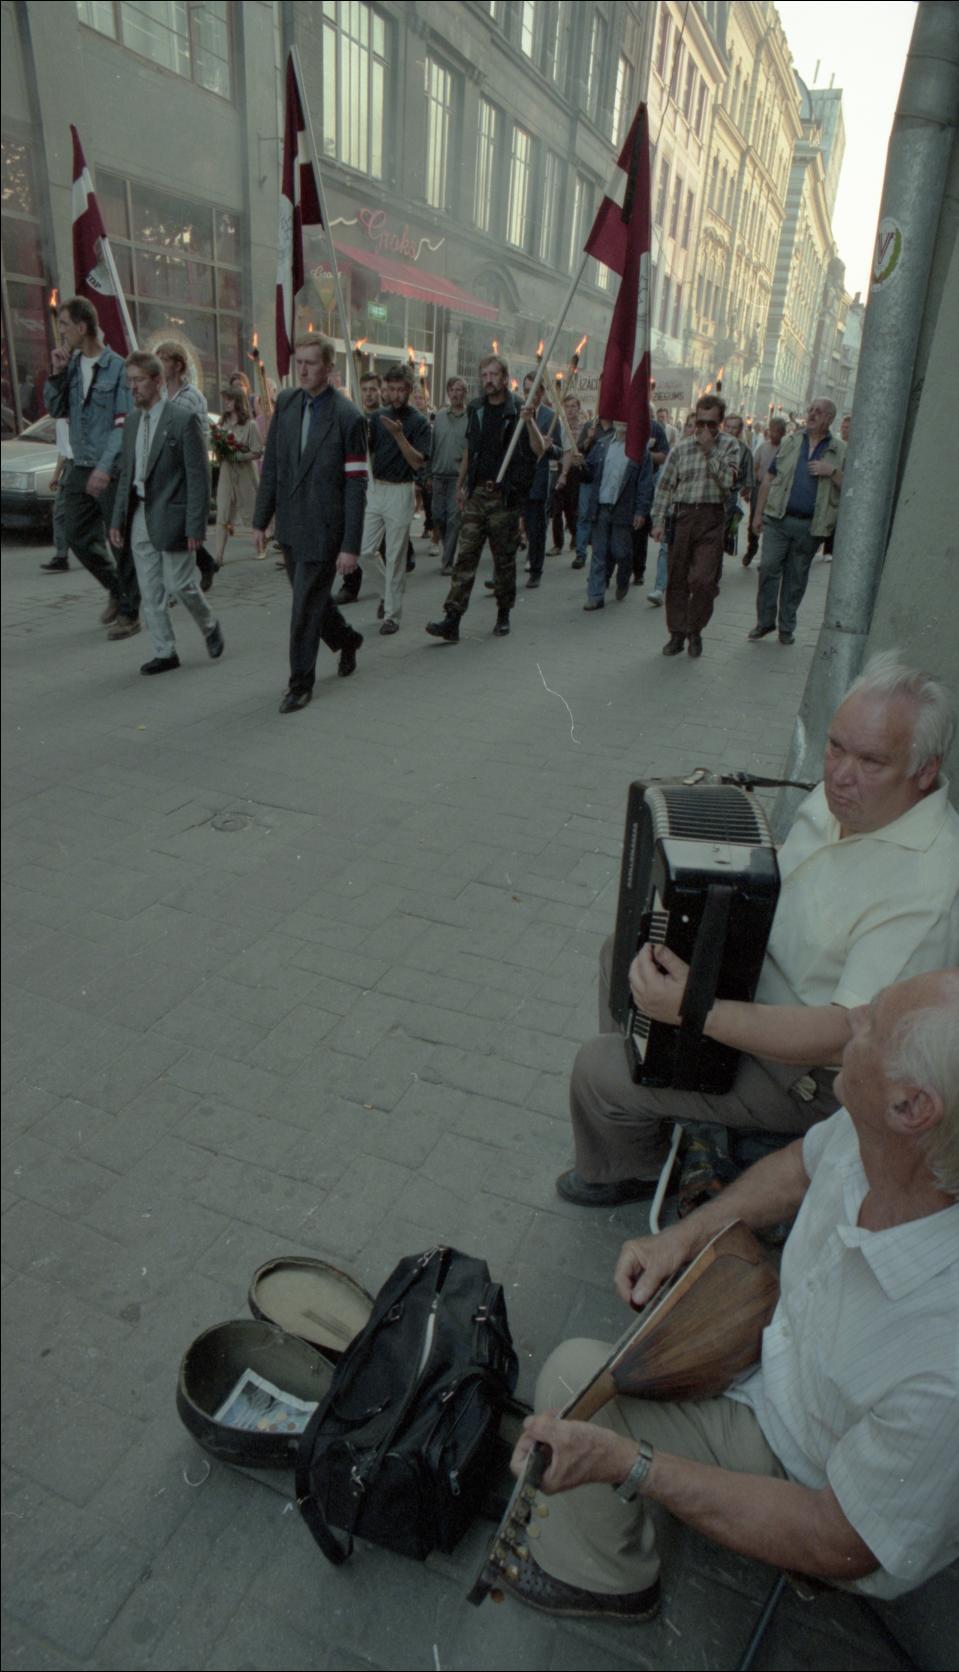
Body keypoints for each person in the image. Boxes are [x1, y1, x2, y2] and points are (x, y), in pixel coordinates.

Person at [500, 967, 959, 1623]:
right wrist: (683, 1238)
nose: (853, 1020)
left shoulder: (943, 1366)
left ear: (911, 1106)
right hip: (777, 1361)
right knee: (604, 1377)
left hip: (806, 1478)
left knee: (571, 1384)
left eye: (873, 1024)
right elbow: (799, 1166)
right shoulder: (890, 1140)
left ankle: (603, 1581)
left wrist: (630, 1465)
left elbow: (838, 1542)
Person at [558, 653, 959, 1206]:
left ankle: (635, 1169)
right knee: (622, 954)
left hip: (808, 1073)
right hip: (755, 987)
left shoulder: (928, 883)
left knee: (597, 1071)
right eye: (835, 746)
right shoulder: (852, 801)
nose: (840, 775)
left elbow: (843, 1032)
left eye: (871, 761)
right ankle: (661, 1090)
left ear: (924, 771)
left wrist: (695, 1011)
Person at [252, 333, 367, 712]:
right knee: (312, 601)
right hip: (290, 527)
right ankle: (347, 639)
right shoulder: (287, 402)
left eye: (311, 363)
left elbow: (356, 487)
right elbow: (273, 466)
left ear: (329, 367)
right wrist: (260, 520)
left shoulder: (348, 417)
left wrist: (350, 546)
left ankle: (300, 684)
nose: (302, 370)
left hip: (324, 530)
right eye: (298, 362)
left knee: (303, 608)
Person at [109, 351, 220, 675]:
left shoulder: (182, 420)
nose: (133, 387)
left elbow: (198, 478)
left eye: (139, 380)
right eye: (130, 381)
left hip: (173, 516)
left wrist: (196, 526)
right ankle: (165, 651)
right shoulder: (132, 422)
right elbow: (126, 474)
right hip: (139, 514)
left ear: (157, 381)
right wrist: (117, 519)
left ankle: (209, 625)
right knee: (150, 589)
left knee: (180, 584)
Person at [425, 353, 548, 643]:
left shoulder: (518, 408)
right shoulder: (476, 408)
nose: (488, 380)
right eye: (484, 375)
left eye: (494, 375)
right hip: (478, 493)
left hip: (504, 497)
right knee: (465, 556)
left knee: (503, 560)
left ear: (505, 378)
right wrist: (461, 484)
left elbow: (539, 449)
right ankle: (452, 619)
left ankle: (503, 613)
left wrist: (529, 422)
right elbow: (470, 448)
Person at [42, 295, 139, 639]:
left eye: (65, 325)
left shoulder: (117, 367)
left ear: (82, 327)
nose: (61, 332)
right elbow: (56, 411)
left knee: (118, 541)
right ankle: (116, 588)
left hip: (109, 468)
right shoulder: (70, 366)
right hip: (79, 464)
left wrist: (105, 466)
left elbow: (122, 425)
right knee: (75, 534)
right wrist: (56, 374)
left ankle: (130, 613)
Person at [649, 394, 739, 659]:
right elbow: (665, 486)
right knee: (677, 578)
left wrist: (710, 450)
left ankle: (695, 628)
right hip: (684, 516)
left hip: (712, 518)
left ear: (720, 422)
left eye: (711, 424)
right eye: (701, 423)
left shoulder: (729, 446)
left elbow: (728, 481)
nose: (704, 429)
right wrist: (658, 521)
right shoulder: (682, 448)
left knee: (704, 581)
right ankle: (677, 633)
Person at [749, 396, 845, 646]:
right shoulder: (791, 441)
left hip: (810, 526)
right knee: (768, 567)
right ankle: (765, 621)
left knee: (796, 578)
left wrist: (832, 471)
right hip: (778, 519)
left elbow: (851, 487)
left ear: (829, 418)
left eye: (818, 411)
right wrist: (758, 514)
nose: (811, 414)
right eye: (811, 409)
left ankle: (786, 626)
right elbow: (769, 478)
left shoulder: (840, 450)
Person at [357, 364, 431, 636]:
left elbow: (417, 462)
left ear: (409, 390)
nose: (396, 395)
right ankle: (386, 594)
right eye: (392, 389)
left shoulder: (419, 422)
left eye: (401, 390)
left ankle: (392, 615)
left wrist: (399, 435)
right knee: (364, 551)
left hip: (401, 490)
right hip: (376, 489)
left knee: (395, 556)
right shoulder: (378, 417)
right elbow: (367, 450)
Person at [155, 340, 217, 592]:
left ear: (178, 365)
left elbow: (200, 436)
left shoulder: (193, 397)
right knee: (168, 524)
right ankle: (204, 564)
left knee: (181, 524)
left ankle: (190, 574)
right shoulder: (158, 393)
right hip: (162, 467)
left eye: (164, 359)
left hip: (183, 467)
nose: (160, 363)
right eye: (158, 358)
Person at [582, 424, 654, 610]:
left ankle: (624, 576)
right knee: (599, 553)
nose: (622, 423)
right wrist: (579, 464)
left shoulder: (639, 450)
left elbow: (645, 484)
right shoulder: (602, 444)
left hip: (623, 509)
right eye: (619, 419)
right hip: (601, 507)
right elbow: (588, 473)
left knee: (620, 552)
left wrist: (641, 511)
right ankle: (595, 596)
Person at [333, 372, 380, 605]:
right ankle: (351, 584)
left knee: (380, 544)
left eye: (373, 389)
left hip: (382, 484)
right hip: (358, 484)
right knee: (356, 534)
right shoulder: (353, 416)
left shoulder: (384, 417)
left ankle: (390, 585)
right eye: (365, 390)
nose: (368, 394)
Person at [213, 383, 263, 568]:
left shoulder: (250, 425)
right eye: (225, 400)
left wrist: (239, 456)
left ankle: (261, 545)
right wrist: (220, 451)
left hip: (245, 474)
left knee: (253, 512)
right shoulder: (222, 423)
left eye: (230, 400)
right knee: (222, 513)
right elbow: (217, 445)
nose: (226, 403)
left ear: (238, 402)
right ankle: (218, 556)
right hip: (227, 473)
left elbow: (257, 451)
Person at [520, 372, 562, 590]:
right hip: (518, 480)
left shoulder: (551, 416)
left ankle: (536, 570)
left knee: (535, 529)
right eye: (527, 391)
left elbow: (559, 451)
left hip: (538, 481)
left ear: (542, 392)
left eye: (534, 391)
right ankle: (501, 574)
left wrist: (549, 446)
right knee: (509, 528)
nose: (530, 395)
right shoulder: (517, 412)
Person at [429, 376, 469, 576]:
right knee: (438, 516)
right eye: (452, 390)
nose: (455, 393)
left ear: (465, 393)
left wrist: (466, 480)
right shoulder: (439, 417)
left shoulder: (470, 418)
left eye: (459, 389)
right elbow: (432, 446)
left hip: (457, 477)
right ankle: (448, 547)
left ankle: (447, 562)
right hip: (438, 475)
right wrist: (428, 474)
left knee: (454, 519)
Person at [744, 417, 786, 568]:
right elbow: (754, 467)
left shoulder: (786, 449)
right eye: (771, 430)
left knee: (771, 524)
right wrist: (749, 488)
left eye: (777, 432)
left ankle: (766, 558)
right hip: (759, 487)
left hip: (776, 491)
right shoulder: (763, 447)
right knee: (753, 520)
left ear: (783, 433)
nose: (773, 434)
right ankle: (752, 547)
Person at [549, 396, 584, 555]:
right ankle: (557, 544)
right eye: (567, 406)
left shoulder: (584, 428)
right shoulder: (559, 426)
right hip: (560, 468)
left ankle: (575, 536)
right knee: (556, 508)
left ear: (578, 408)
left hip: (575, 471)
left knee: (572, 508)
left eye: (573, 406)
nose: (570, 410)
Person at [39, 416, 74, 573]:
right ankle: (61, 556)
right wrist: (56, 475)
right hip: (70, 467)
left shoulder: (81, 416)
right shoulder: (60, 422)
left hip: (85, 466)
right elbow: (63, 452)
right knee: (60, 512)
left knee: (91, 513)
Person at [721, 413, 755, 559]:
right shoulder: (712, 444)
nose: (729, 430)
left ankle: (715, 565)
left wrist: (743, 492)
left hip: (729, 497)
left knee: (721, 533)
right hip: (708, 495)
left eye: (733, 428)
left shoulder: (745, 451)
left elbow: (749, 480)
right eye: (727, 426)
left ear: (739, 430)